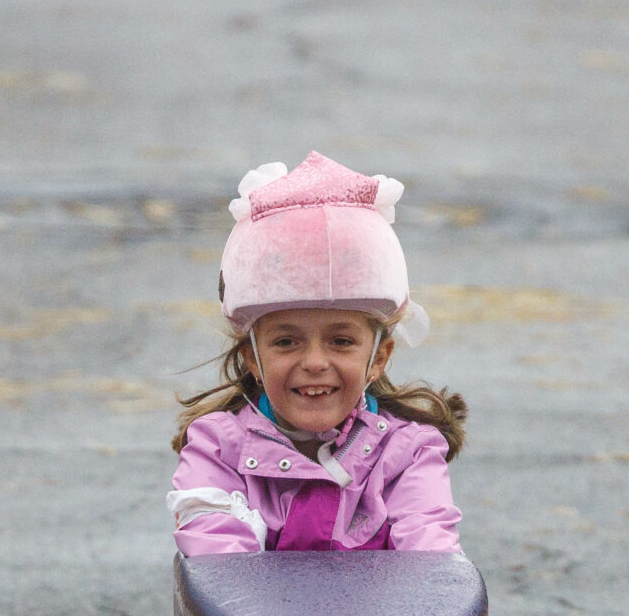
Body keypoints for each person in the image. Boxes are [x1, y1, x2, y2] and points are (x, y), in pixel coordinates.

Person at [168, 153, 466, 557]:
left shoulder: (408, 455)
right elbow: (217, 562)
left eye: (341, 342)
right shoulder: (219, 449)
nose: (314, 362)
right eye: (286, 342)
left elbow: (430, 557)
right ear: (252, 358)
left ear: (378, 358)